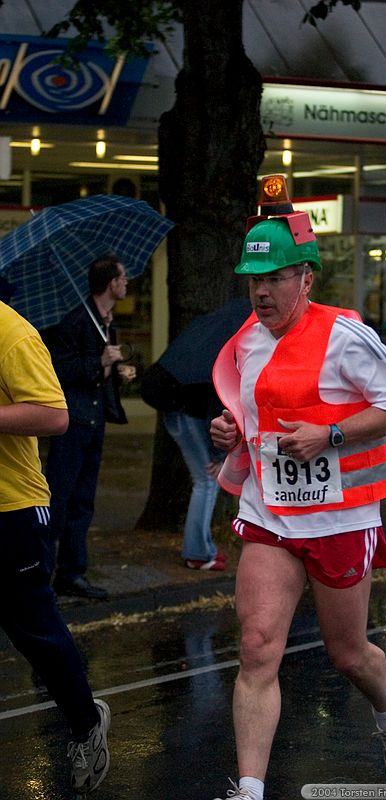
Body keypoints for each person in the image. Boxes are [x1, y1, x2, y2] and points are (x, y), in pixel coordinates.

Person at [210, 210, 386, 800]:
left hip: (341, 517)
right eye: (253, 277)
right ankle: (249, 790)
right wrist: (229, 432)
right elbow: (251, 419)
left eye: (275, 277)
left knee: (349, 654)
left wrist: (328, 435)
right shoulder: (245, 341)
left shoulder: (344, 336)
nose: (261, 290)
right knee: (256, 647)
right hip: (270, 513)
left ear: (307, 278)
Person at [0, 299, 110, 794]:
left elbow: (53, 415)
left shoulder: (12, 332)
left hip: (12, 509)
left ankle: (86, 722)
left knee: (35, 632)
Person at [42, 255, 135, 599]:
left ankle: (72, 573)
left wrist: (116, 373)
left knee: (83, 500)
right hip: (73, 420)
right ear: (111, 283)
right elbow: (59, 371)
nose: (127, 283)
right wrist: (99, 361)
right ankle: (41, 571)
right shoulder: (76, 320)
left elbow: (101, 374)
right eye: (123, 278)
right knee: (59, 497)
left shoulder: (107, 322)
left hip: (95, 421)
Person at [164, 384, 226, 570]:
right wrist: (219, 455)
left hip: (182, 412)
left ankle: (203, 548)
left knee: (207, 481)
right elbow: (218, 407)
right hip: (190, 415)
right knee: (207, 481)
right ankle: (197, 553)